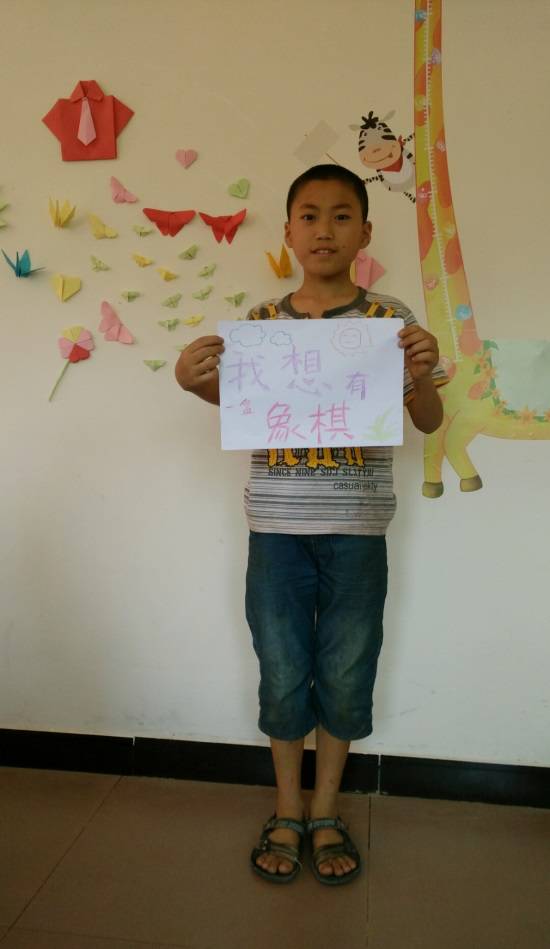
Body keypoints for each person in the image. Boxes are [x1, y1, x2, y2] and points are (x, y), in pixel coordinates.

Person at [175, 164, 447, 886]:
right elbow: (250, 410)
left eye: (341, 215)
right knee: (283, 666)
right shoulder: (261, 324)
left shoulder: (390, 321)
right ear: (289, 232)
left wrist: (422, 373)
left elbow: (427, 420)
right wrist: (196, 384)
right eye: (309, 215)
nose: (324, 229)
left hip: (358, 530)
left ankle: (327, 808)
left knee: (348, 667)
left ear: (365, 230)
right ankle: (288, 807)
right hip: (276, 527)